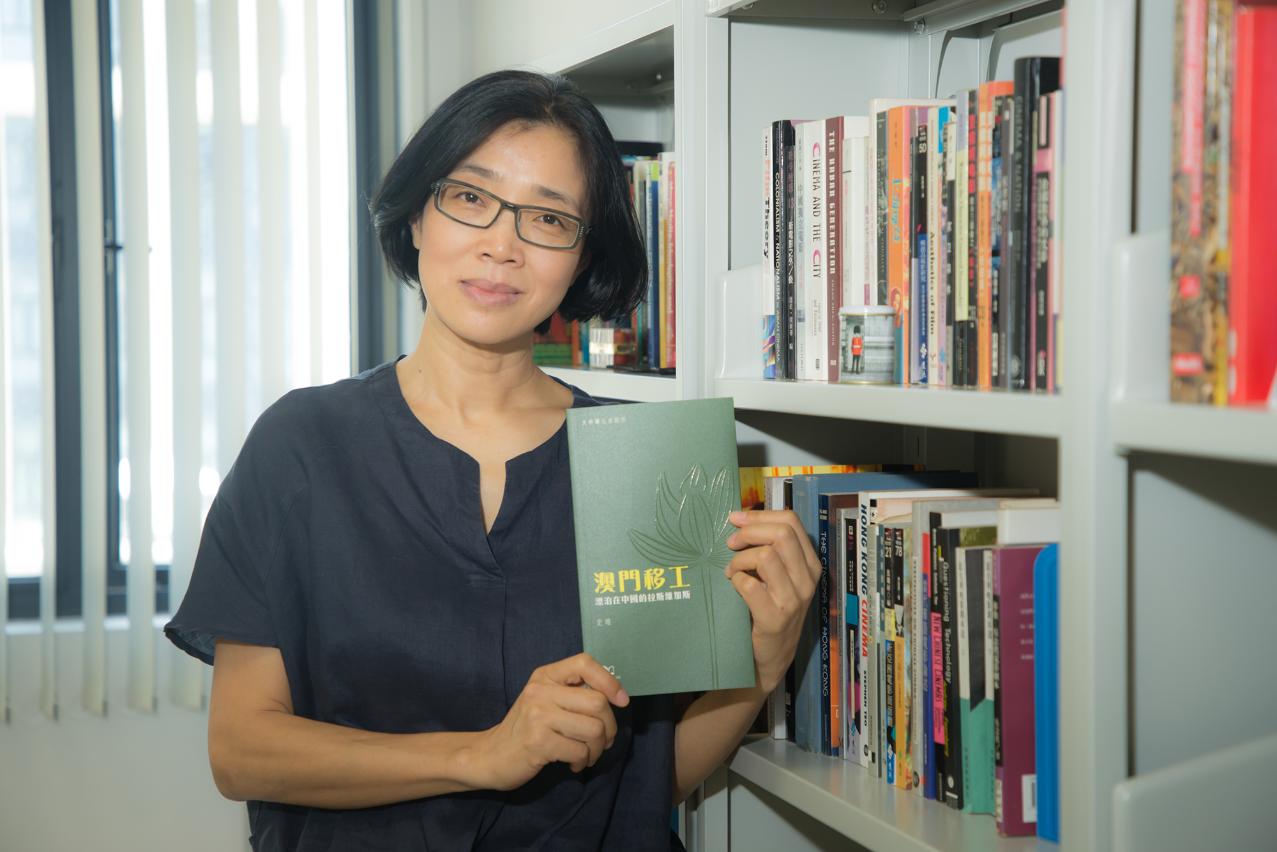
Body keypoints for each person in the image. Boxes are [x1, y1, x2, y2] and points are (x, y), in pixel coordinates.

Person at [164, 69, 819, 851]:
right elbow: (242, 752)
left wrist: (765, 657)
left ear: (581, 257)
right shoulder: (300, 445)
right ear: (416, 216)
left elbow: (650, 786)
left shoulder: (642, 462)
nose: (501, 246)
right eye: (470, 198)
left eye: (548, 218)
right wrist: (483, 755)